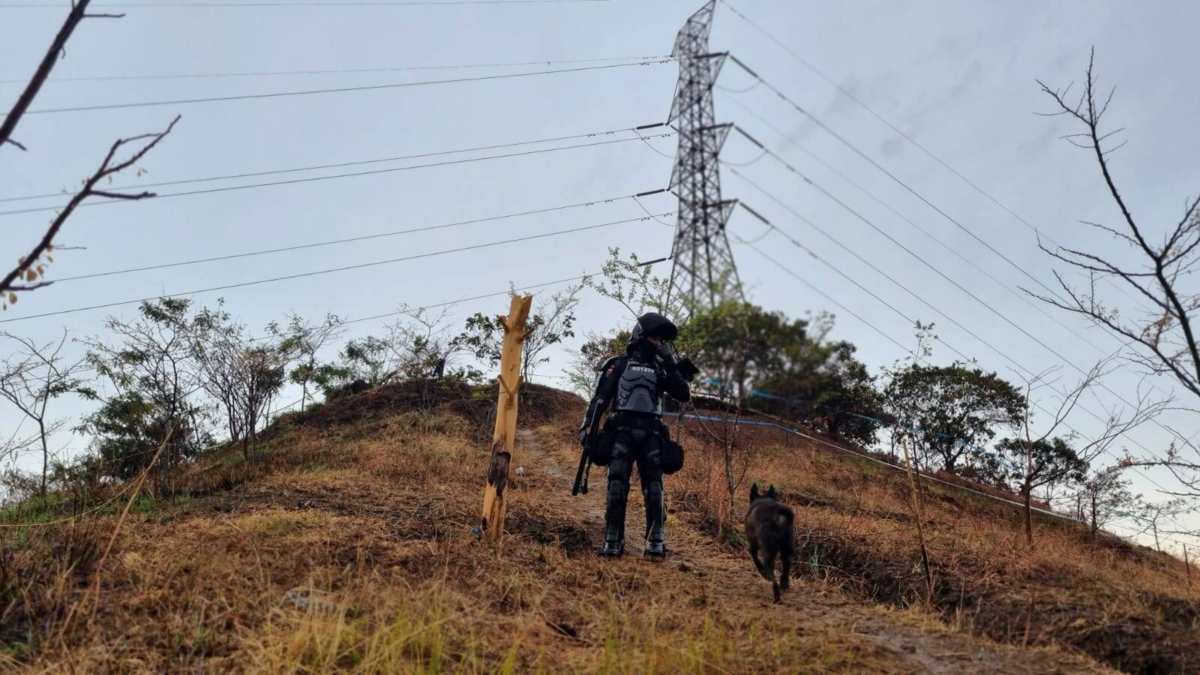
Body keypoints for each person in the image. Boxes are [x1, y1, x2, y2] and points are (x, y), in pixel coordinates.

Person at [578, 312, 694, 558]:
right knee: (616, 485)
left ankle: (655, 541)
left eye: (661, 339)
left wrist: (670, 360)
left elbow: (683, 393)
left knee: (654, 487)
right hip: (621, 429)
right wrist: (588, 426)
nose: (658, 342)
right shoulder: (618, 364)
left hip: (652, 432)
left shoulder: (662, 367)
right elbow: (600, 398)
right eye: (655, 337)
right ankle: (612, 539)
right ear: (641, 335)